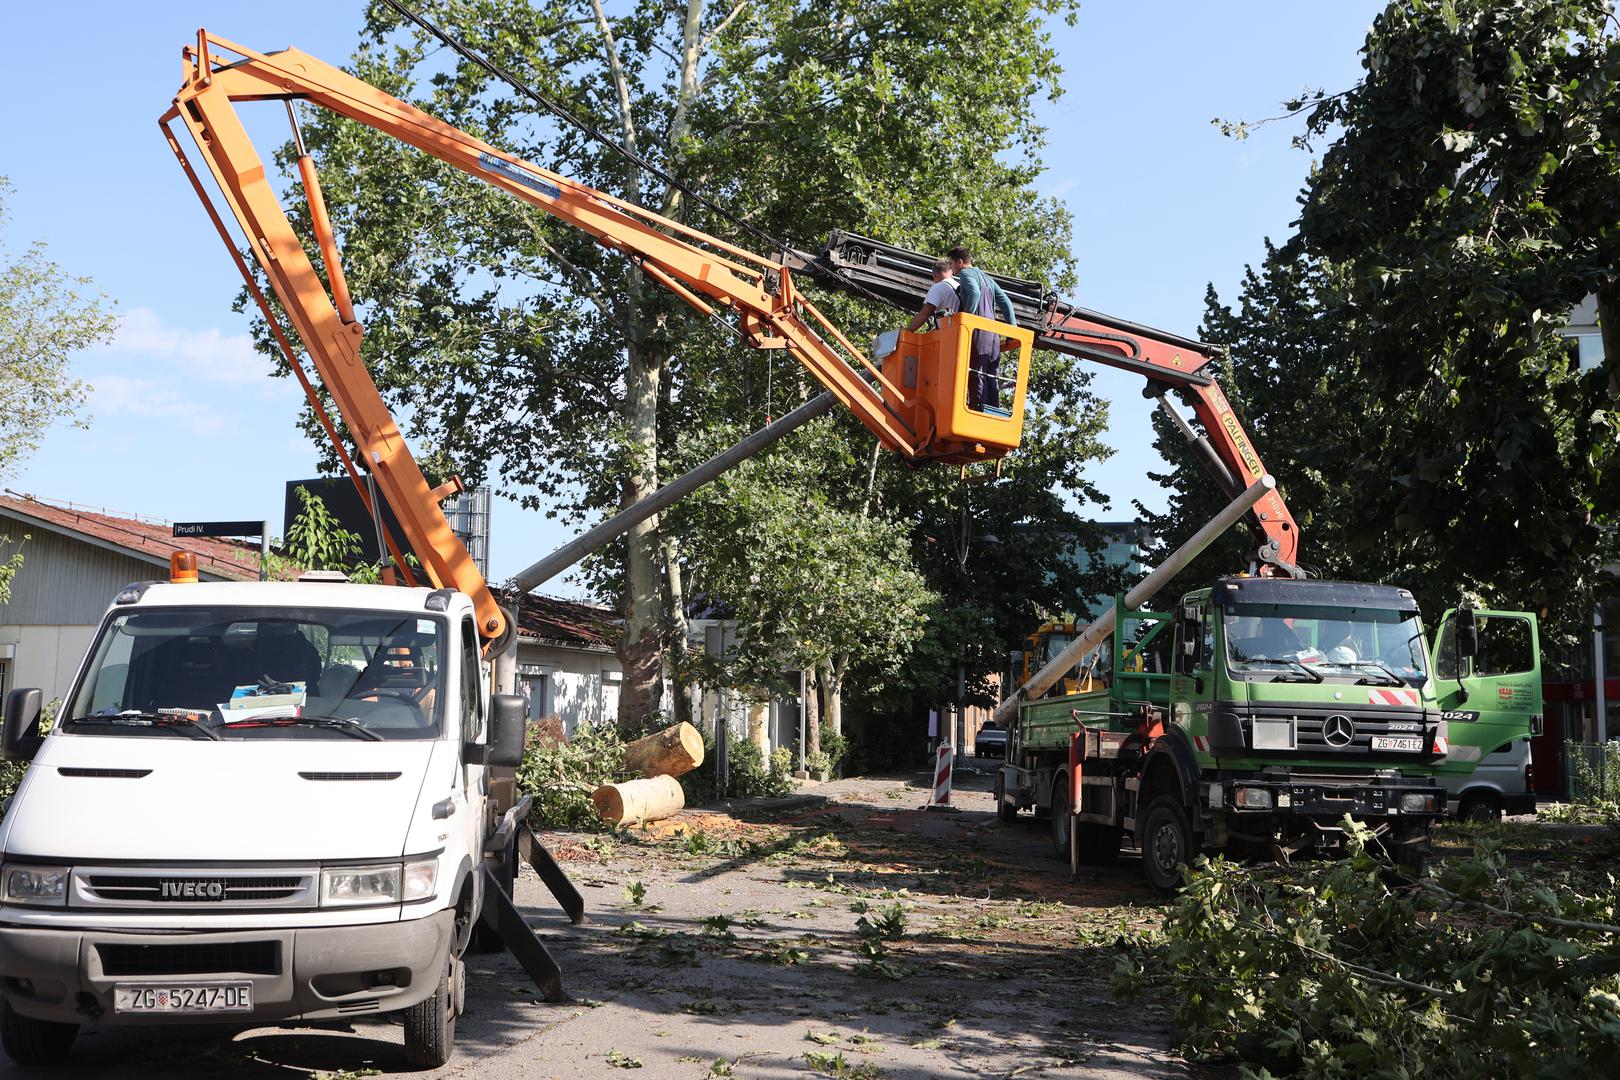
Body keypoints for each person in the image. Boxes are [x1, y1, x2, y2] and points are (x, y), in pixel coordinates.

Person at [948, 245, 1016, 410]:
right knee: (991, 375)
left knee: (976, 372)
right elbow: (1006, 302)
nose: (951, 268)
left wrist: (966, 320)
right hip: (993, 335)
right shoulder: (987, 278)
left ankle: (978, 410)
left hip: (978, 331)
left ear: (960, 262)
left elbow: (974, 293)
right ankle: (992, 412)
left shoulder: (965, 274)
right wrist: (1012, 328)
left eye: (951, 264)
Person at [905, 258, 960, 333]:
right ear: (951, 272)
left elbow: (924, 314)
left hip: (947, 335)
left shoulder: (938, 287)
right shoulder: (959, 287)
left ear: (935, 275)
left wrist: (906, 332)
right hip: (961, 332)